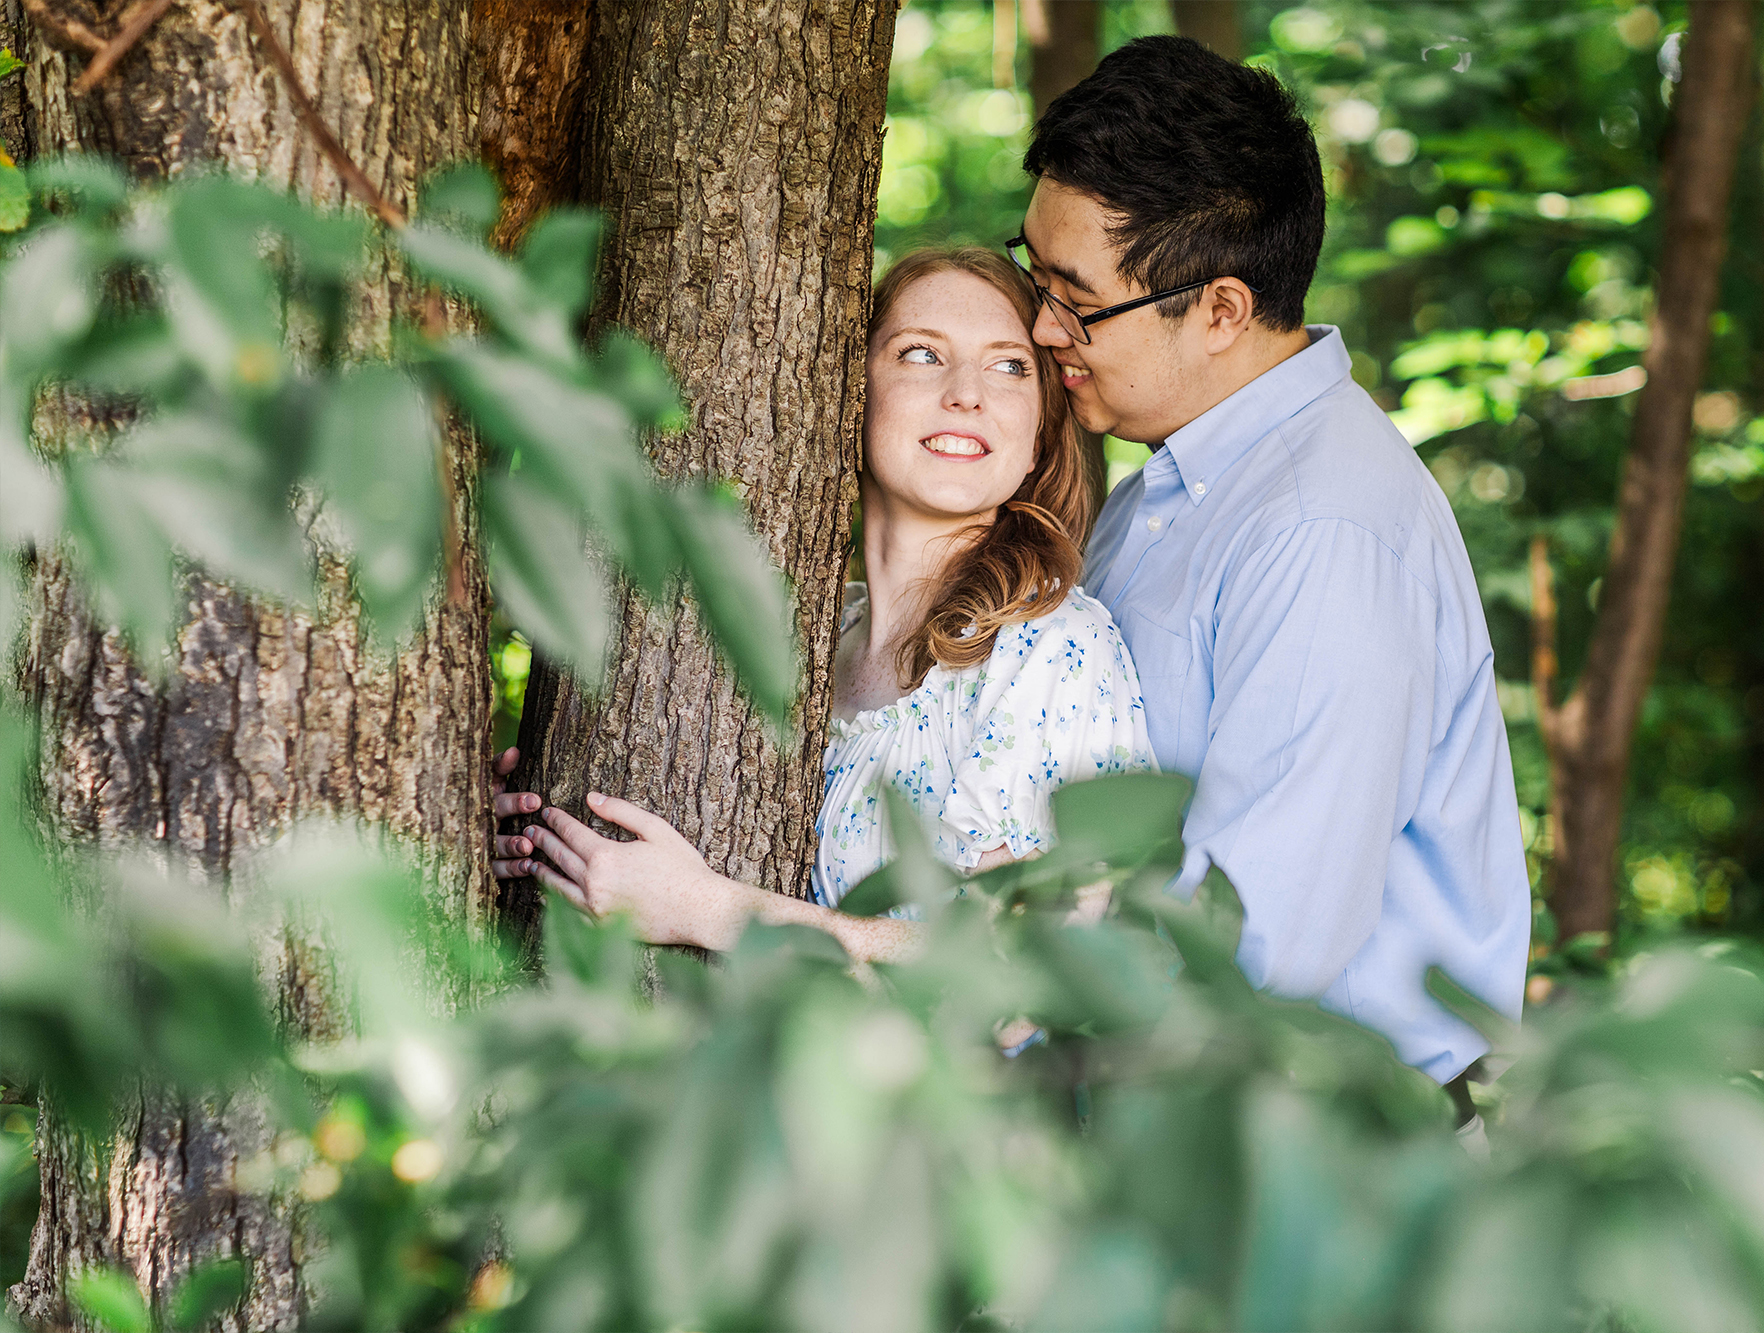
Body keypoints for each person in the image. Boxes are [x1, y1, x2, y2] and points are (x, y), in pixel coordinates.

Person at [1007, 35, 1530, 1092]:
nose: (1037, 323)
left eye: (1074, 297)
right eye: (1031, 272)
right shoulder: (1172, 481)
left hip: (1323, 1162)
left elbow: (1253, 947)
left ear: (1220, 310)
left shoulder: (1319, 529)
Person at [491, 247, 1152, 963]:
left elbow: (1028, 980)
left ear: (1038, 438)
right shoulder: (813, 631)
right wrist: (530, 839)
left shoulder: (1051, 645)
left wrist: (703, 907)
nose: (967, 392)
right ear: (850, 390)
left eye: (1009, 365)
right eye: (922, 353)